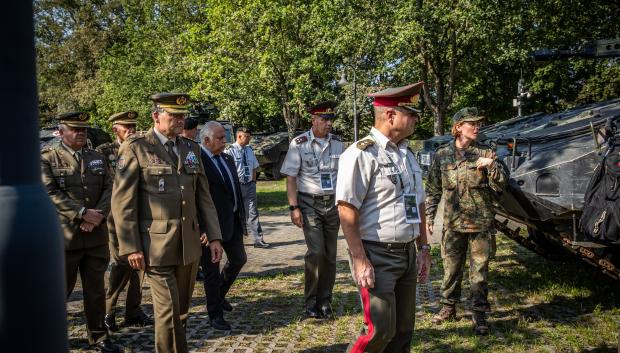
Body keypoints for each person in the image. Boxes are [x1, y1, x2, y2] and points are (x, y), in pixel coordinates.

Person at [112, 93, 223, 353]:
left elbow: (203, 197)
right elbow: (122, 202)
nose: (179, 120)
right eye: (173, 115)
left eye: (182, 115)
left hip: (189, 245)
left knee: (181, 312)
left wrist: (215, 237)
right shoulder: (136, 146)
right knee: (168, 312)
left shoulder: (191, 148)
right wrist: (130, 246)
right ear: (155, 116)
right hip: (155, 247)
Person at [336, 82, 431, 352]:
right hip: (377, 254)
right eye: (410, 113)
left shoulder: (406, 154)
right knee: (380, 329)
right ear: (391, 116)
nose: (416, 119)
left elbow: (419, 203)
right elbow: (346, 208)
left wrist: (423, 247)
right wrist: (359, 258)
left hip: (407, 253)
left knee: (402, 331)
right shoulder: (361, 154)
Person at [41, 111, 122, 353]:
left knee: (96, 291)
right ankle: (52, 335)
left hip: (96, 236)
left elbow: (110, 187)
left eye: (84, 129)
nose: (81, 133)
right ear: (61, 131)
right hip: (66, 237)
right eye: (75, 129)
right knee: (60, 290)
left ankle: (98, 336)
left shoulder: (96, 156)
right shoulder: (48, 158)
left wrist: (97, 216)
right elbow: (50, 192)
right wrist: (83, 213)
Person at [425, 107, 507, 335]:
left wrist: (491, 167)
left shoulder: (486, 152)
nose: (477, 126)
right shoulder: (442, 155)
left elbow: (500, 186)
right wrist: (429, 216)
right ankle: (447, 307)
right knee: (451, 269)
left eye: (479, 123)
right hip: (453, 224)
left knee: (479, 270)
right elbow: (433, 188)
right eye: (472, 123)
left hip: (481, 224)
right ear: (458, 127)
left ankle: (478, 313)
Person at [280, 101, 344, 319]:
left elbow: (343, 176)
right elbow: (291, 178)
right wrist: (293, 206)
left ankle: (325, 300)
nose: (328, 124)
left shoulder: (337, 143)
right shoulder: (299, 143)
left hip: (332, 203)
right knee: (316, 252)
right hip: (309, 203)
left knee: (331, 255)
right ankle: (310, 301)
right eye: (324, 119)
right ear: (313, 120)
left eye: (330, 120)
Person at [96, 111, 153, 332]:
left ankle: (133, 311)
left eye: (133, 126)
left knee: (140, 265)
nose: (130, 129)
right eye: (125, 126)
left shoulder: (142, 147)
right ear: (115, 129)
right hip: (115, 217)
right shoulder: (103, 152)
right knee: (121, 263)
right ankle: (108, 311)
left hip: (141, 215)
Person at [199, 121, 248, 330]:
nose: (225, 140)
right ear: (207, 140)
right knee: (211, 270)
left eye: (224, 136)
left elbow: (234, 189)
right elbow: (195, 198)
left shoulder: (226, 157)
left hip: (232, 221)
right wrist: (203, 229)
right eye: (220, 137)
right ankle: (214, 313)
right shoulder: (198, 161)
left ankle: (219, 295)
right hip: (210, 228)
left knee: (238, 259)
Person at [225, 127, 270, 248]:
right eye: (247, 137)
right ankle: (237, 241)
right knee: (236, 214)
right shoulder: (229, 151)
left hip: (249, 185)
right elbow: (227, 170)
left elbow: (254, 167)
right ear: (239, 136)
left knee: (253, 213)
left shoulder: (249, 150)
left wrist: (253, 183)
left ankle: (258, 240)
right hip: (236, 187)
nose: (249, 139)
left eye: (249, 137)